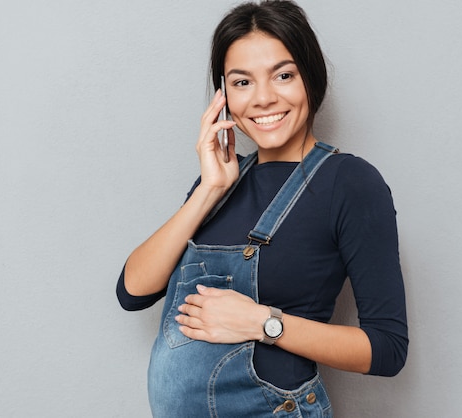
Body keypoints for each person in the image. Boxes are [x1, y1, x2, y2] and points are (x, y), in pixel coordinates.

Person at [116, 1, 408, 416]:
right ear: (224, 96)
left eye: (283, 75)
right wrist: (210, 189)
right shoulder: (217, 184)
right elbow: (132, 291)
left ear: (310, 76)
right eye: (242, 82)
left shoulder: (349, 183)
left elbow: (387, 349)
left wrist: (264, 324)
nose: (264, 99)